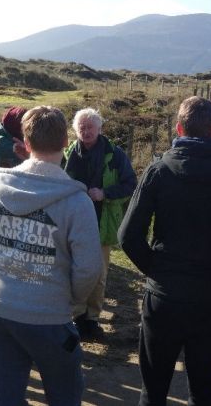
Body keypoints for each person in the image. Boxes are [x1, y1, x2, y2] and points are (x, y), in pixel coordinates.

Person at [0, 106, 102, 406]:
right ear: (66, 141)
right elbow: (89, 267)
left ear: (25, 144)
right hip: (50, 314)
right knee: (65, 392)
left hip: (0, 309)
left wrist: (5, 269)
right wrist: (72, 298)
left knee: (8, 391)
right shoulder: (77, 202)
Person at [118, 96, 211, 406]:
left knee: (153, 392)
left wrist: (159, 271)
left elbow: (128, 236)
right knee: (202, 393)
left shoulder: (159, 170)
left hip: (164, 297)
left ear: (178, 128)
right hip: (208, 296)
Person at [64, 108, 137, 340]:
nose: (86, 131)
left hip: (102, 221)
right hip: (73, 222)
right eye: (81, 127)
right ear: (76, 130)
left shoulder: (114, 155)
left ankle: (92, 319)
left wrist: (104, 193)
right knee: (73, 270)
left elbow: (130, 184)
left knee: (99, 273)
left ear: (100, 128)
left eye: (90, 127)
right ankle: (77, 317)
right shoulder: (69, 155)